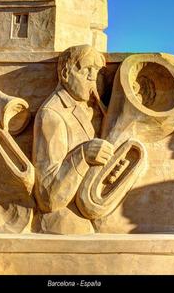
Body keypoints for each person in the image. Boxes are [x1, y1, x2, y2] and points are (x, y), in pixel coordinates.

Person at [32, 45, 113, 234]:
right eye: (87, 70)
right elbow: (47, 197)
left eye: (98, 72)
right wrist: (83, 155)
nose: (93, 78)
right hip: (64, 225)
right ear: (66, 73)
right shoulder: (51, 114)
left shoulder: (94, 110)